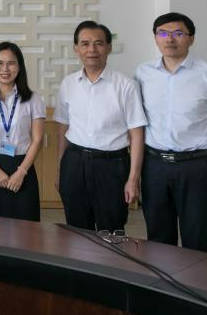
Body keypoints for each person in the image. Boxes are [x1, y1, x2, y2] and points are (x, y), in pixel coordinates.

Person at [135, 13, 207, 252]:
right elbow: (136, 123)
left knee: (196, 233)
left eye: (178, 34)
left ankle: (194, 287)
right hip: (154, 165)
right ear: (155, 38)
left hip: (196, 166)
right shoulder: (142, 73)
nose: (170, 39)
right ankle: (162, 287)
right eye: (163, 33)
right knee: (158, 235)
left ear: (191, 39)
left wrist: (202, 156)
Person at [54, 20, 146, 233]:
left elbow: (137, 134)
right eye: (85, 44)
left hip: (112, 166)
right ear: (76, 48)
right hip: (74, 163)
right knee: (76, 229)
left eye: (98, 43)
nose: (92, 50)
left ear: (109, 47)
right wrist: (61, 169)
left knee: (112, 230)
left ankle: (110, 266)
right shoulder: (68, 84)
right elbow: (62, 130)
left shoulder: (126, 85)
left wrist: (133, 179)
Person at [0, 42, 45, 222]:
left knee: (26, 227)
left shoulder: (33, 99)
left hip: (23, 166)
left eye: (11, 63)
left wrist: (21, 172)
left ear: (19, 66)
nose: (5, 69)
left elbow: (37, 139)